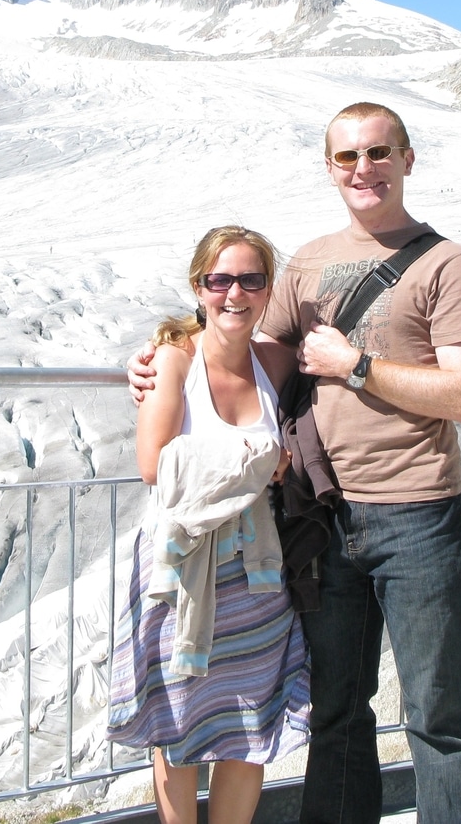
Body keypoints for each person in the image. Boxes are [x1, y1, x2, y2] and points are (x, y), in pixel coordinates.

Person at [131, 103, 461, 823]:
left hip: (418, 514)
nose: (365, 169)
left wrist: (355, 365)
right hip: (324, 522)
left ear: (408, 160)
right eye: (348, 157)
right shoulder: (307, 265)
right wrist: (167, 358)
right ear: (330, 168)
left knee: (439, 715)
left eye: (380, 152)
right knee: (336, 712)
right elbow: (250, 354)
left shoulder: (450, 265)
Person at [107, 226, 311, 824]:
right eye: (220, 280)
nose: (235, 294)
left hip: (256, 576)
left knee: (248, 724)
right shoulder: (173, 360)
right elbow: (156, 464)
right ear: (199, 287)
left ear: (268, 290)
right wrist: (261, 460)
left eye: (252, 280)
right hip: (180, 568)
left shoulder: (274, 361)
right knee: (178, 721)